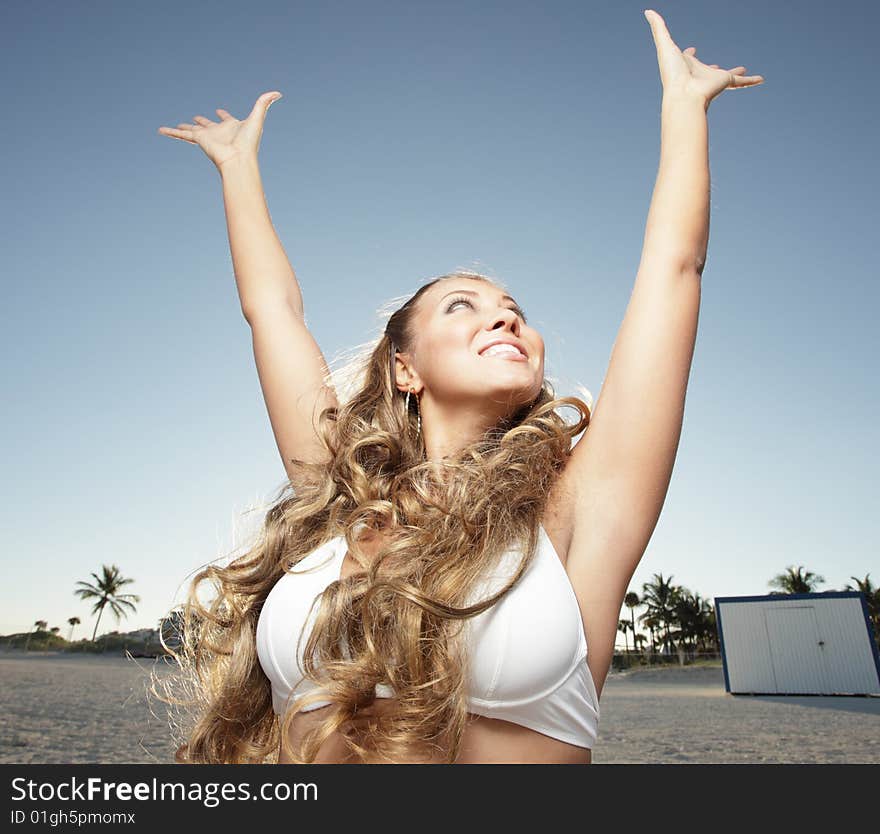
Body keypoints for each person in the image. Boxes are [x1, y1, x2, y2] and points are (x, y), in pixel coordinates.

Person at [155, 9, 763, 764]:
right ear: (404, 367)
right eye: (463, 306)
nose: (505, 321)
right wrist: (237, 166)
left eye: (516, 314)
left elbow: (675, 270)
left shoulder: (575, 510)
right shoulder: (339, 488)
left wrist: (684, 107)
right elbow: (271, 313)